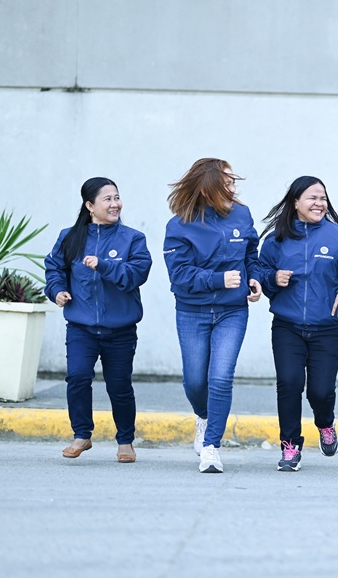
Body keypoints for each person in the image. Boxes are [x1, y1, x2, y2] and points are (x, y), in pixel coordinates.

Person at [259, 175, 338, 472]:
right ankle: (290, 447)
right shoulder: (277, 240)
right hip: (287, 325)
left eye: (323, 198)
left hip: (328, 327)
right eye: (312, 198)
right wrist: (272, 279)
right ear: (295, 203)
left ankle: (325, 423)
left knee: (320, 391)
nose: (320, 203)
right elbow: (261, 270)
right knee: (289, 384)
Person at [163, 158, 262, 474]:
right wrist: (218, 279)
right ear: (208, 190)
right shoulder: (179, 225)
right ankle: (203, 418)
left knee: (220, 378)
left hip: (232, 311)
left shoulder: (242, 214)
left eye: (234, 182)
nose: (234, 188)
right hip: (192, 312)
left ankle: (211, 447)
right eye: (227, 183)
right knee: (195, 382)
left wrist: (254, 278)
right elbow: (179, 275)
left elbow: (251, 254)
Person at [44, 177, 152, 463]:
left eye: (117, 197)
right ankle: (82, 434)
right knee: (78, 377)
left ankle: (126, 440)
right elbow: (54, 268)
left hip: (120, 329)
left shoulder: (133, 239)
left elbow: (135, 276)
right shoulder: (70, 237)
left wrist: (104, 265)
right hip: (81, 327)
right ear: (90, 205)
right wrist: (57, 291)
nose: (115, 204)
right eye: (108, 199)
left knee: (119, 385)